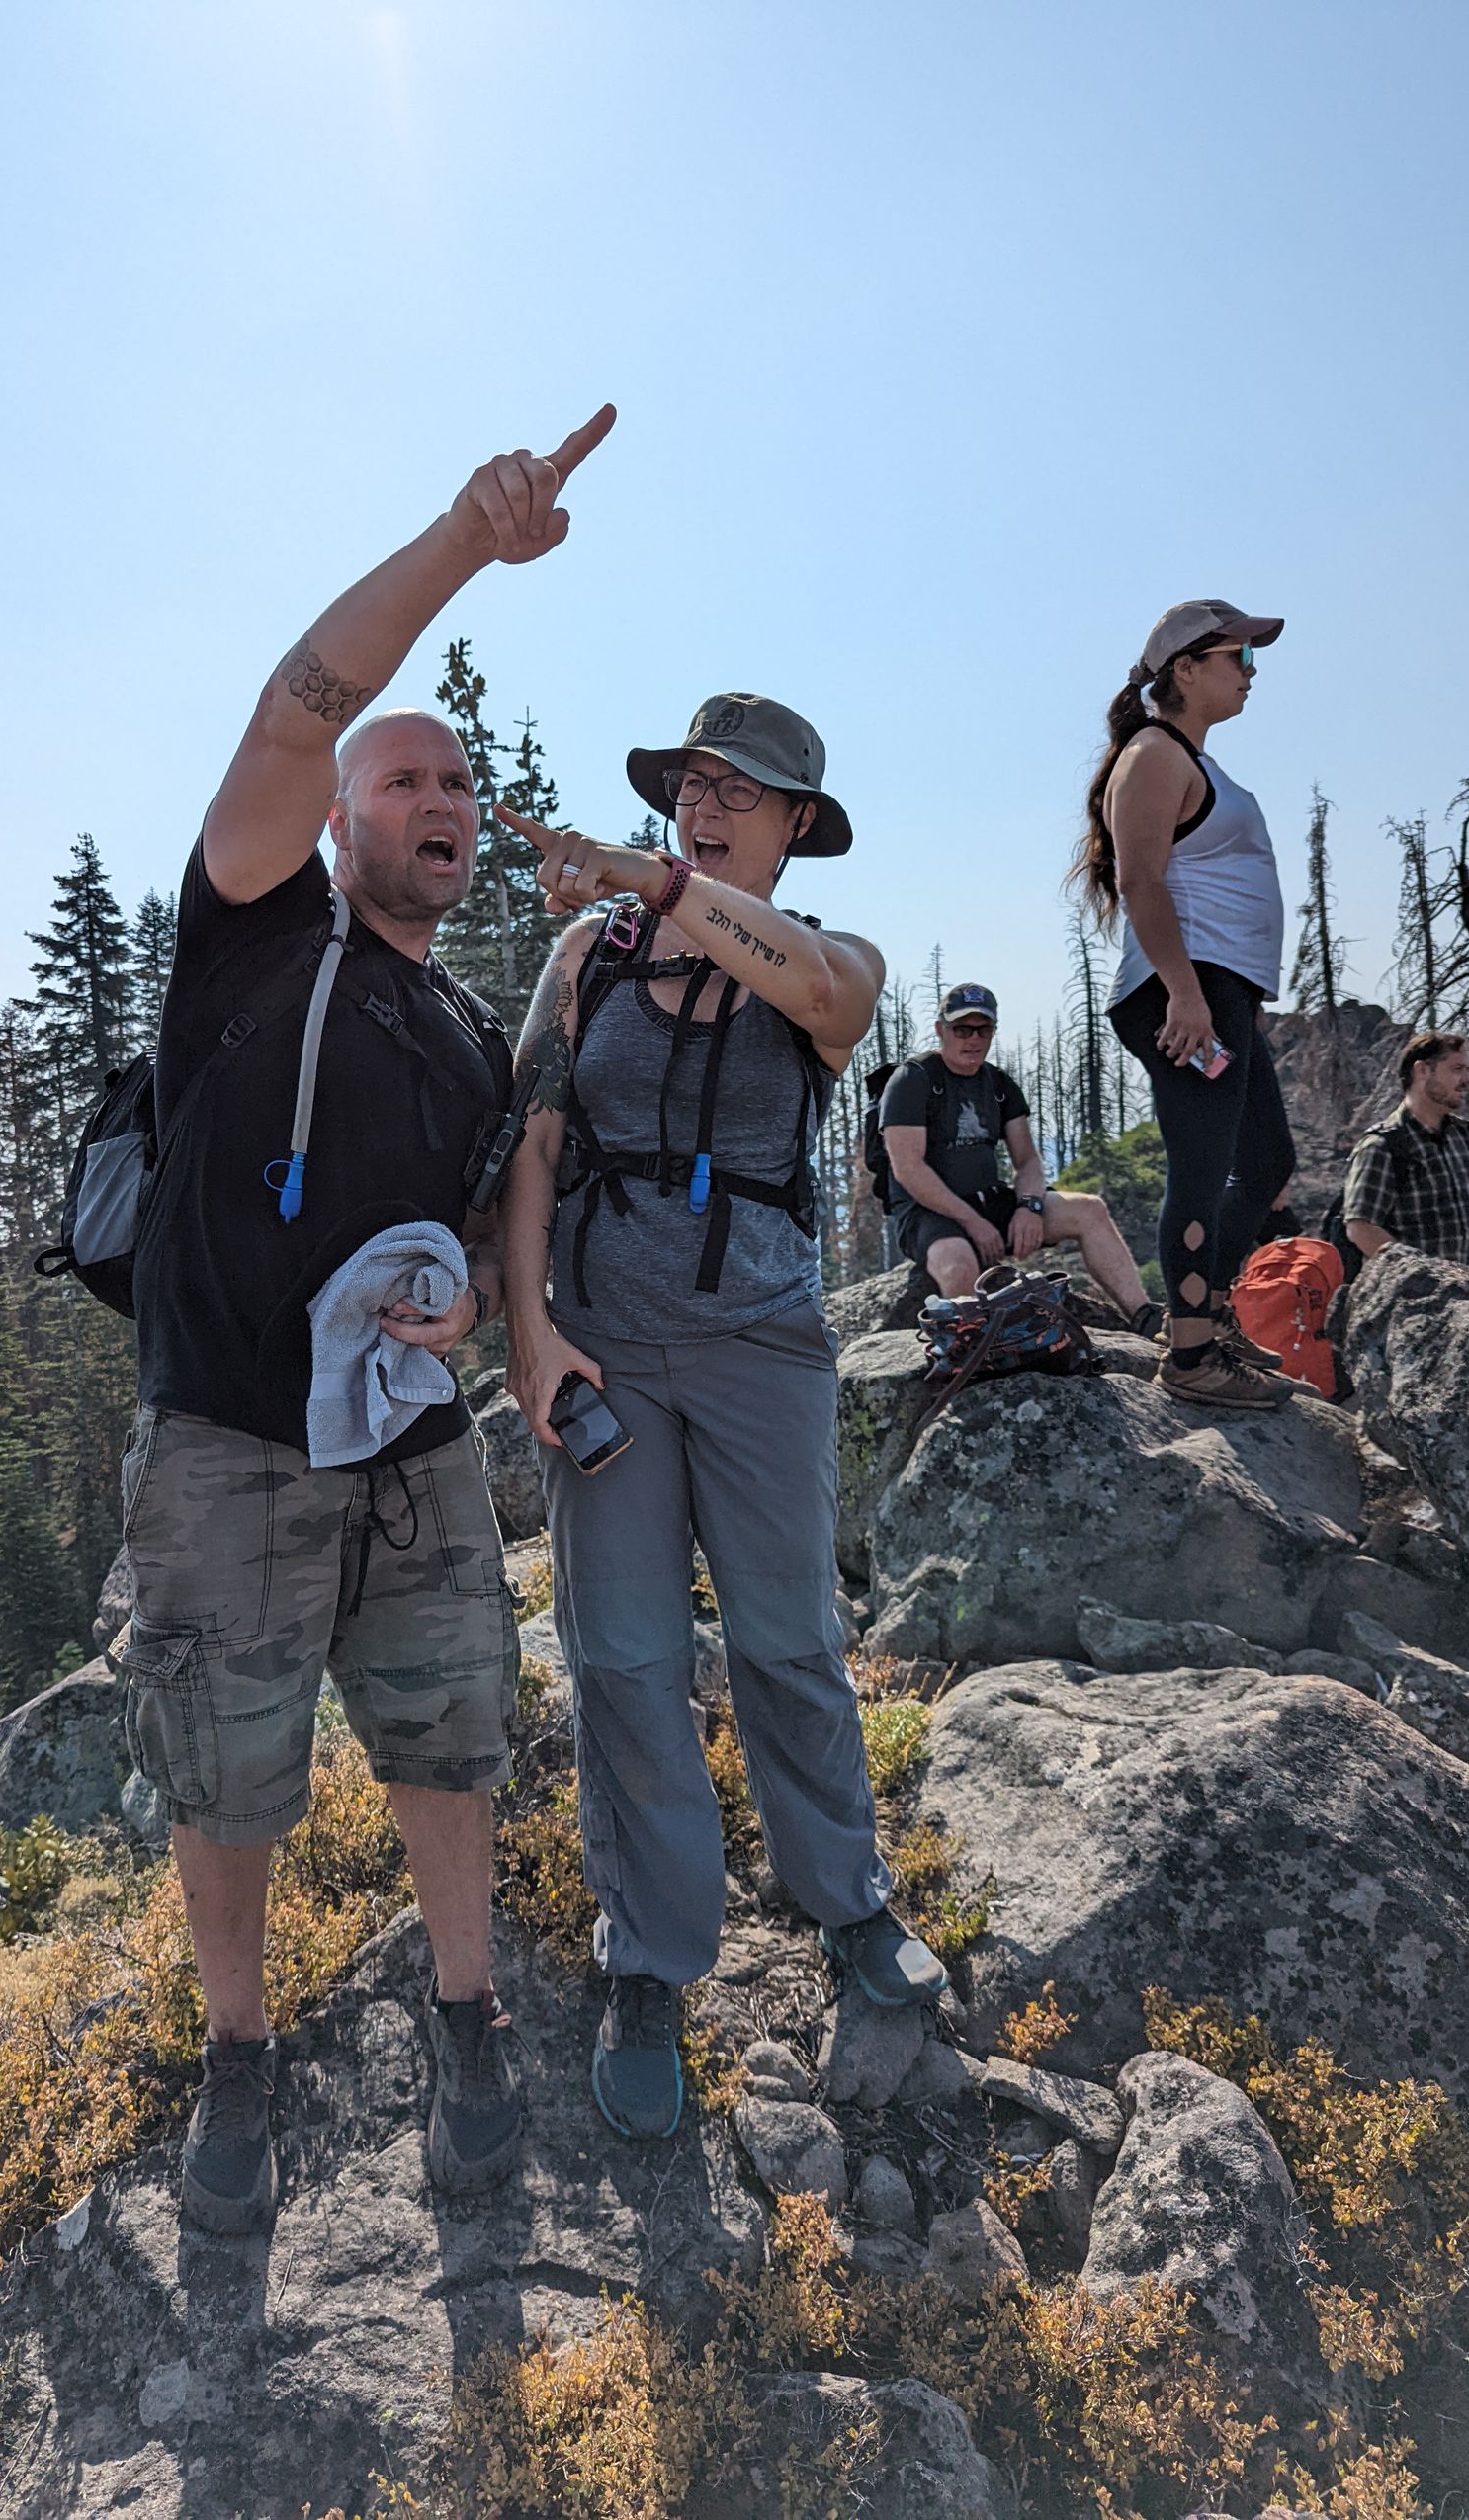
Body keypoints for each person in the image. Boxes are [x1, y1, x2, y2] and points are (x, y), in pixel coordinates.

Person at [119, 406, 616, 2231]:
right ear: (336, 822)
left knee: (448, 1737)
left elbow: (490, 1248)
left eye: (460, 792)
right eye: (403, 784)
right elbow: (294, 703)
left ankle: (468, 2021)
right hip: (230, 1448)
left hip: (412, 1461)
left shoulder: (463, 1029)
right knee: (227, 1768)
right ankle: (235, 2062)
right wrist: (460, 543)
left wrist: (486, 1303)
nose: (438, 808)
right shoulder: (252, 932)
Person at [495, 695, 949, 2144]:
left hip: (762, 1344)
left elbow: (827, 1004)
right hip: (609, 1347)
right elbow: (534, 1146)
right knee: (624, 1657)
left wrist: (660, 883)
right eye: (693, 783)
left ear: (795, 827)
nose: (705, 804)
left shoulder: (833, 961)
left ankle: (845, 1903)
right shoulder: (588, 960)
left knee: (789, 1642)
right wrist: (528, 1332)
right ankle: (650, 1961)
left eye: (740, 792)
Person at [1071, 600, 1303, 1410]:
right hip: (1185, 988)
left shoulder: (1194, 761)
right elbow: (1140, 879)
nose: (1249, 672)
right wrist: (1185, 993)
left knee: (1267, 1160)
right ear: (1186, 669)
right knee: (1204, 1165)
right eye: (1239, 655)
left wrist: (1235, 998)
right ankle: (1193, 1357)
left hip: (1215, 988)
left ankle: (1203, 1318)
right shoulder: (1155, 753)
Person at [880, 982, 1162, 1331]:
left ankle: (1145, 1317)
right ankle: (973, 1354)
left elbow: (1027, 1160)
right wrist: (973, 1223)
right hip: (930, 1213)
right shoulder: (912, 1080)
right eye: (962, 1029)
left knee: (1089, 1210)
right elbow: (908, 1170)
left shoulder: (998, 1085)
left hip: (989, 1201)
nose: (973, 1039)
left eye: (983, 1029)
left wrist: (1029, 1206)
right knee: (958, 1266)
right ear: (941, 1030)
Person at [1343, 1031, 1469, 1279]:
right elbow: (1360, 1227)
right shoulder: (1383, 1145)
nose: (1467, 1079)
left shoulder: (1467, 1136)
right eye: (1457, 1069)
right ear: (1422, 1071)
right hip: (1414, 1307)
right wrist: (1422, 1278)